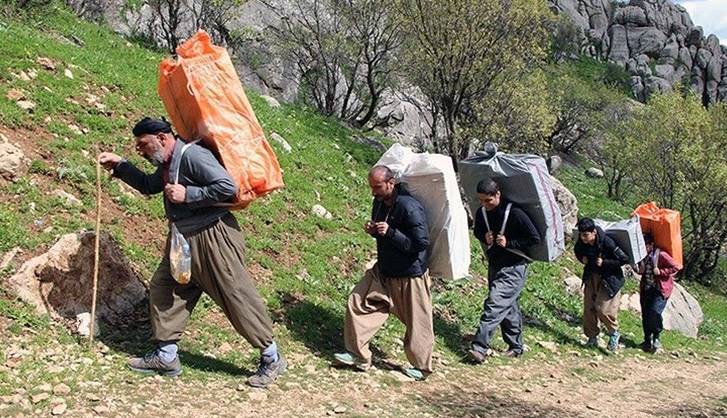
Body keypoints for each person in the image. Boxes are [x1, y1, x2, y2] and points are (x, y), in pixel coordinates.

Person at [98, 117, 285, 388]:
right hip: (183, 237)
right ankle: (166, 356)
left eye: (143, 145)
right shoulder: (167, 162)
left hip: (214, 237)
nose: (140, 150)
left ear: (162, 138)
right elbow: (151, 186)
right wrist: (121, 165)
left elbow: (227, 186)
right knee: (165, 289)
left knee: (235, 294)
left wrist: (189, 194)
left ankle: (272, 357)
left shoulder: (192, 155)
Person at [333, 166, 433, 381]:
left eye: (377, 187)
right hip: (384, 270)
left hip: (410, 275)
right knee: (358, 301)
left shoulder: (410, 207)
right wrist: (374, 230)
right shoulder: (379, 202)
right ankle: (359, 356)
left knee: (418, 322)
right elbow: (383, 232)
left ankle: (422, 368)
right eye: (371, 187)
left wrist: (391, 233)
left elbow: (421, 243)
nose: (373, 192)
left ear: (391, 182)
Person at [468, 179, 541, 363]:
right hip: (495, 265)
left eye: (488, 200)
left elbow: (534, 238)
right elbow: (477, 231)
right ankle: (516, 346)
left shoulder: (515, 213)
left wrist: (510, 243)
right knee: (508, 306)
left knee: (494, 305)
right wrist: (484, 236)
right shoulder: (482, 212)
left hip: (514, 267)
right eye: (481, 200)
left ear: (498, 194)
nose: (485, 204)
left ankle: (479, 348)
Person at [573, 218, 628, 352]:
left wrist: (605, 262)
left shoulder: (607, 242)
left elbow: (623, 259)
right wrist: (582, 258)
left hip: (609, 279)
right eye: (581, 235)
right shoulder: (582, 241)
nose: (583, 238)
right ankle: (592, 338)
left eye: (586, 235)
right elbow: (577, 251)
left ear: (594, 232)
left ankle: (613, 333)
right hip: (591, 276)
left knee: (603, 309)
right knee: (589, 308)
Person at [636, 233, 680, 353]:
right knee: (645, 314)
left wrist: (660, 271)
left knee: (655, 312)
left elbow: (676, 267)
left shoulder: (660, 255)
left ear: (651, 244)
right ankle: (647, 340)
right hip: (646, 288)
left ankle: (656, 337)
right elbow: (641, 272)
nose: (643, 248)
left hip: (660, 289)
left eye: (645, 245)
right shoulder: (642, 256)